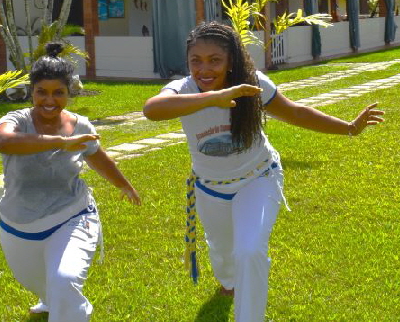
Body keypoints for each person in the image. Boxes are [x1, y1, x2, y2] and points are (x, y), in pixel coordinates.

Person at [143, 22, 384, 321]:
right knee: (222, 252)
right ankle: (229, 283)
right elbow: (152, 109)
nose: (204, 69)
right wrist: (214, 98)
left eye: (215, 60)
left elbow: (295, 112)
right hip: (209, 187)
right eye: (196, 60)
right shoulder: (184, 89)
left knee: (250, 251)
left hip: (258, 179)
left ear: (231, 59)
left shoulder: (253, 85)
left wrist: (348, 128)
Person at [0, 42, 141, 321]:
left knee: (64, 279)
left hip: (71, 214)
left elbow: (98, 157)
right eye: (42, 92)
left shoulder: (80, 125)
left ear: (68, 93)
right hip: (18, 222)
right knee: (42, 285)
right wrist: (62, 142)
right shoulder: (15, 120)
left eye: (58, 93)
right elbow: (3, 141)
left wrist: (124, 185)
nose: (50, 100)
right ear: (31, 91)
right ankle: (52, 300)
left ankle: (70, 309)